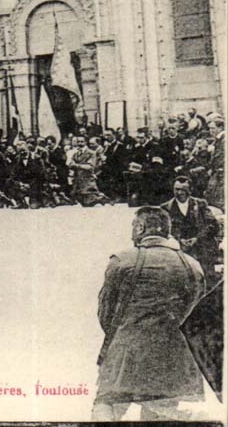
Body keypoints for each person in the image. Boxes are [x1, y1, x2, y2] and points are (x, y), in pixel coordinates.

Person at [92, 206, 207, 420]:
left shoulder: (122, 261)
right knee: (158, 414)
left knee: (106, 406)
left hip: (126, 355)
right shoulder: (193, 266)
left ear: (141, 228)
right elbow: (196, 316)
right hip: (173, 360)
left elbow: (106, 314)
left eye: (133, 227)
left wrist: (126, 335)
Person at [161, 176, 222, 279]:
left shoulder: (200, 204)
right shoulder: (165, 208)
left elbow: (213, 225)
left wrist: (197, 238)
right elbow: (163, 231)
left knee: (207, 278)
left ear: (190, 190)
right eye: (177, 189)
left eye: (183, 189)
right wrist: (179, 240)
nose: (180, 193)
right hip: (179, 251)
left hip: (201, 249)